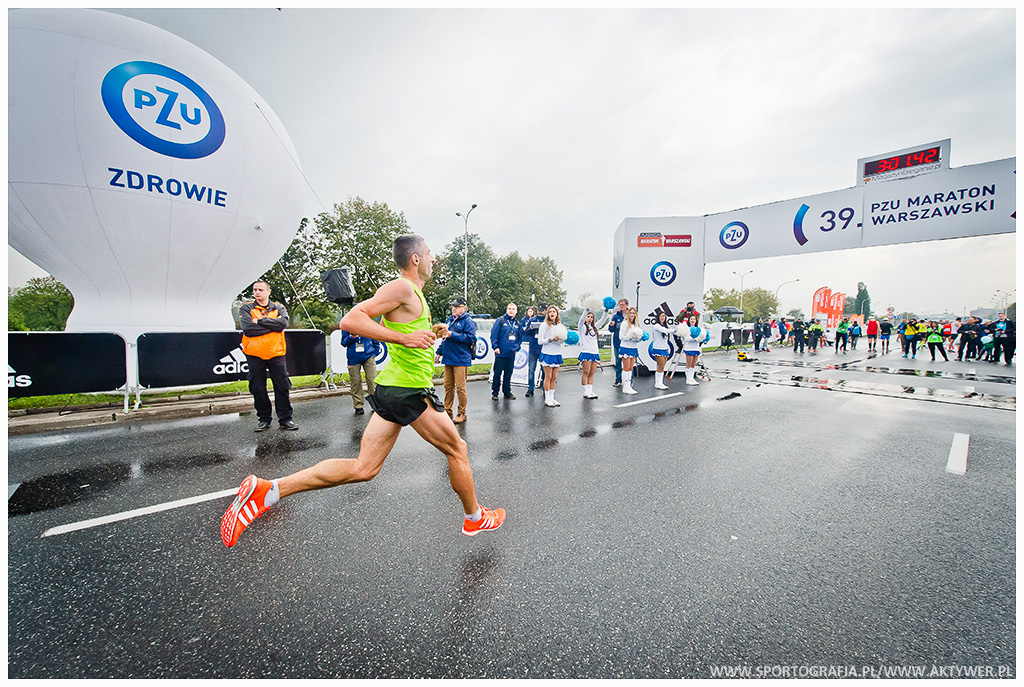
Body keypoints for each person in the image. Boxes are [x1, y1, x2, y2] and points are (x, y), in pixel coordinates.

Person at [220, 234, 505, 548]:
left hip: (394, 388)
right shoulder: (401, 287)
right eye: (429, 254)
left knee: (364, 468)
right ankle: (475, 518)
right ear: (415, 259)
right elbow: (351, 320)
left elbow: (402, 329)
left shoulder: (414, 295)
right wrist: (403, 339)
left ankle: (268, 490)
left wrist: (425, 334)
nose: (433, 259)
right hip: (408, 390)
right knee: (458, 450)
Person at [239, 280, 298, 432]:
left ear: (268, 292)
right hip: (254, 354)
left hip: (276, 354)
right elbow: (248, 329)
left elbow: (282, 324)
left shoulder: (279, 307)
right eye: (255, 290)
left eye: (260, 290)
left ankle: (285, 419)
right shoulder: (246, 308)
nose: (257, 292)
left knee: (282, 386)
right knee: (258, 387)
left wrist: (259, 321)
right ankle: (264, 419)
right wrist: (272, 327)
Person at [437, 296, 476, 424]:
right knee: (448, 386)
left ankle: (462, 413)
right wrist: (439, 352)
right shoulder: (449, 320)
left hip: (461, 358)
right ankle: (447, 412)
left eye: (456, 307)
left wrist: (452, 334)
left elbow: (471, 338)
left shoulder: (468, 321)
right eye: (453, 306)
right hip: (448, 358)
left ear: (463, 308)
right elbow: (444, 338)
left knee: (460, 388)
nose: (453, 309)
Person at [340, 325, 380, 416]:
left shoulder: (366, 322)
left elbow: (374, 337)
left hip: (368, 355)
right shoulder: (347, 324)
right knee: (356, 382)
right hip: (353, 358)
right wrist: (352, 337)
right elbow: (343, 342)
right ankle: (358, 406)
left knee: (372, 380)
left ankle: (375, 405)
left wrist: (375, 352)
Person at [490, 302, 520, 400]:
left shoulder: (517, 323)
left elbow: (520, 338)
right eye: (509, 309)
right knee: (497, 374)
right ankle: (495, 392)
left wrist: (517, 348)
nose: (511, 311)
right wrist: (495, 347)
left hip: (511, 353)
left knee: (508, 374)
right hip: (500, 353)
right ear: (507, 310)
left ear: (516, 311)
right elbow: (493, 335)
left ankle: (507, 392)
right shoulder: (500, 320)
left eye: (513, 309)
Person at [537, 305, 566, 407]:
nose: (552, 313)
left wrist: (562, 339)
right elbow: (540, 341)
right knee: (548, 376)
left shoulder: (559, 325)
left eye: (554, 311)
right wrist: (550, 340)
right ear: (547, 314)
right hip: (547, 353)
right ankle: (547, 398)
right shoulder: (544, 325)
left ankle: (552, 397)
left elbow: (562, 339)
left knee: (554, 377)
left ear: (557, 314)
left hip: (557, 353)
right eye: (550, 312)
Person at [577, 306, 609, 399]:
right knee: (586, 372)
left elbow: (603, 320)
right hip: (586, 352)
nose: (589, 319)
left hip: (595, 353)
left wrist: (606, 311)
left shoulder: (595, 328)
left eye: (591, 317)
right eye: (588, 316)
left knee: (592, 372)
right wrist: (586, 309)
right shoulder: (581, 327)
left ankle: (590, 390)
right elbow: (581, 320)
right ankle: (585, 391)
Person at [519, 304, 544, 397]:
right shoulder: (532, 320)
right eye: (539, 310)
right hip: (533, 348)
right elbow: (526, 332)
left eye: (542, 310)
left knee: (544, 370)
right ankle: (530, 389)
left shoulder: (547, 320)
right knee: (531, 370)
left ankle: (546, 389)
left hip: (543, 348)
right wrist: (530, 328)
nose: (540, 312)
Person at [617, 307, 643, 394]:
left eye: (633, 313)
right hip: (625, 347)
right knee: (626, 368)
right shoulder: (624, 324)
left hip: (633, 348)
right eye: (630, 313)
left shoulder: (636, 325)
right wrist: (631, 337)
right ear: (628, 314)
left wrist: (638, 338)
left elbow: (638, 337)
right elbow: (621, 337)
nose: (632, 315)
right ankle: (625, 386)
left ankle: (629, 385)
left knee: (631, 368)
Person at [649, 311, 675, 390]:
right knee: (660, 366)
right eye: (661, 316)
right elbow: (665, 330)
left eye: (664, 316)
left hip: (665, 348)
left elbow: (668, 332)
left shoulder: (665, 326)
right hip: (658, 348)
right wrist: (675, 330)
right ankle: (658, 383)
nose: (662, 317)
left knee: (663, 366)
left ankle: (660, 382)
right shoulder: (656, 326)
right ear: (658, 317)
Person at [679, 313, 706, 385]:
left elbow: (702, 337)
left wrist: (702, 338)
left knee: (693, 365)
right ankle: (688, 379)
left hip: (696, 348)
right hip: (689, 349)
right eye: (691, 319)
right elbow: (687, 339)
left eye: (694, 319)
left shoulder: (698, 329)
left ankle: (692, 378)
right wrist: (696, 338)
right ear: (689, 321)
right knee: (689, 364)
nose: (693, 320)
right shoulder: (687, 329)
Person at [608, 299, 628, 387]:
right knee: (618, 361)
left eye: (623, 305)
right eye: (620, 305)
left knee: (628, 361)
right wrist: (611, 325)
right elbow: (611, 330)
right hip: (617, 342)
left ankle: (628, 380)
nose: (621, 307)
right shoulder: (616, 316)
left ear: (627, 305)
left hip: (628, 342)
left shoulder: (630, 315)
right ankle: (618, 379)